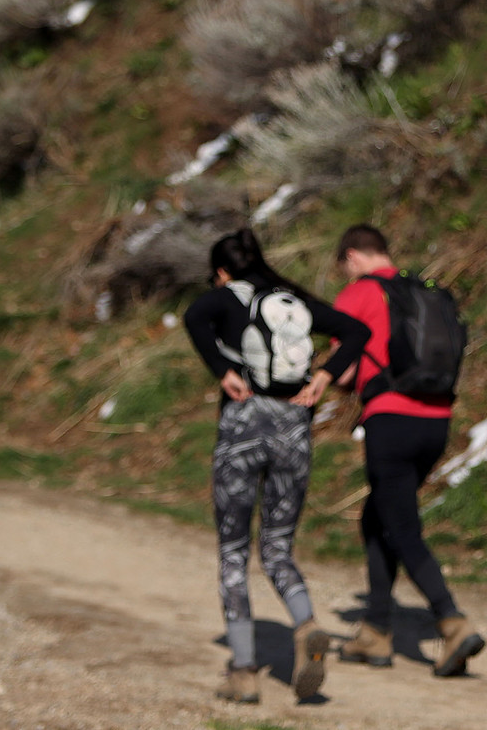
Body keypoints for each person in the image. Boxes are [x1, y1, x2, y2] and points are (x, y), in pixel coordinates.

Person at [184, 227, 371, 704]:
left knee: (233, 551)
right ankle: (306, 623)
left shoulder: (225, 298)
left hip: (243, 429)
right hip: (293, 431)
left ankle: (244, 671)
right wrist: (325, 377)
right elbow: (356, 331)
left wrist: (221, 370)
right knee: (278, 547)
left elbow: (193, 317)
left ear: (223, 272)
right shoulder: (294, 300)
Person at [332, 223, 485, 676]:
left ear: (353, 257)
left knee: (401, 528)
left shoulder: (359, 294)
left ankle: (452, 622)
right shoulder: (421, 289)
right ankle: (375, 631)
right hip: (435, 423)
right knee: (377, 518)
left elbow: (343, 372)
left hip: (390, 421)